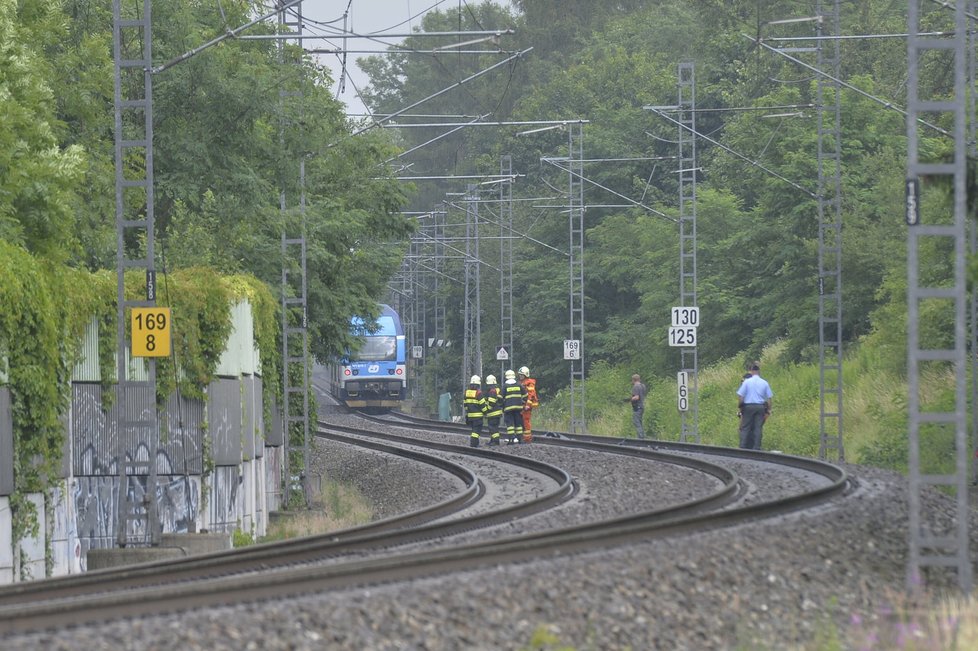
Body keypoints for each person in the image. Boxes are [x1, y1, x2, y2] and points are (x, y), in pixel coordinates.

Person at [736, 362, 773, 450]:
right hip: (760, 407)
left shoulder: (747, 382)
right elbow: (769, 398)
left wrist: (740, 406)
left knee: (745, 427)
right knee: (758, 427)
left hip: (748, 407)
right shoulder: (764, 383)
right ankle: (757, 447)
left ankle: (743, 447)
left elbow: (741, 396)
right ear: (759, 371)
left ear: (752, 371)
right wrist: (769, 410)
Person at [502, 369, 527, 444]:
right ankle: (520, 439)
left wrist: (502, 406)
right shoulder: (519, 384)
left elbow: (500, 397)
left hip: (508, 408)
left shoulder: (505, 386)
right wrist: (523, 401)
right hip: (518, 408)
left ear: (506, 377)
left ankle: (511, 439)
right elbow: (525, 394)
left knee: (510, 425)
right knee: (518, 424)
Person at [517, 366, 539, 443]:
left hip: (527, 406)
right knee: (521, 421)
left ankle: (527, 438)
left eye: (521, 375)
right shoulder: (521, 383)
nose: (520, 376)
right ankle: (523, 437)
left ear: (525, 375)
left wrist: (527, 405)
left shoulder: (530, 383)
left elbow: (531, 395)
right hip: (522, 405)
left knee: (526, 421)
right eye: (519, 374)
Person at [463, 375, 486, 448]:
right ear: (478, 384)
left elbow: (465, 404)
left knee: (474, 430)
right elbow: (482, 405)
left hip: (470, 416)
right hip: (478, 417)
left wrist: (468, 412)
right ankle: (473, 444)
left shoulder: (466, 392)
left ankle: (476, 444)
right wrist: (486, 412)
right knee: (476, 431)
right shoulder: (478, 393)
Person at [483, 374, 503, 446]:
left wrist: (486, 409)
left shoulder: (492, 391)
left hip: (493, 413)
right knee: (494, 428)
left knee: (492, 428)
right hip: (496, 413)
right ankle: (493, 440)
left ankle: (495, 441)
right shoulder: (497, 390)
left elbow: (491, 402)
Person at [630, 374, 648, 439]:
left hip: (637, 407)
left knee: (636, 421)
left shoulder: (636, 386)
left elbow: (637, 397)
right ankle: (642, 436)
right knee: (640, 422)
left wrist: (630, 399)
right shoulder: (643, 386)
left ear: (633, 380)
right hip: (642, 406)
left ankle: (641, 437)